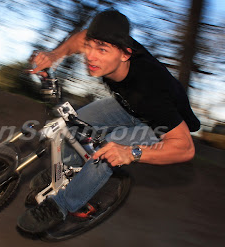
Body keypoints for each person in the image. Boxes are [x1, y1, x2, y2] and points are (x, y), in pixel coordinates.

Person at [17, 9, 200, 233]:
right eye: (90, 47)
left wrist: (132, 153)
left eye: (101, 50)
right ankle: (67, 168)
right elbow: (81, 37)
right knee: (74, 123)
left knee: (106, 151)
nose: (91, 56)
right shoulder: (111, 43)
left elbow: (186, 148)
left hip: (158, 124)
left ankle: (61, 205)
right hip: (128, 105)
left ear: (125, 54)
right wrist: (53, 57)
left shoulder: (151, 90)